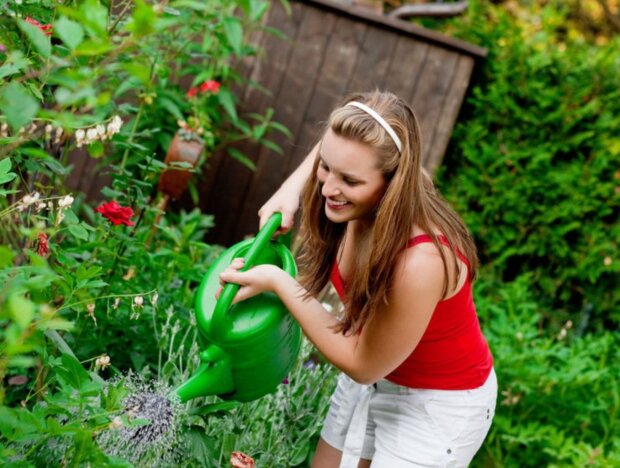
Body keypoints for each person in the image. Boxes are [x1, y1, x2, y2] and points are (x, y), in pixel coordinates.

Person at [218, 91, 496, 467]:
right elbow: (337, 147)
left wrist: (280, 283)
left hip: (436, 403)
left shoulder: (421, 261)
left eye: (349, 180)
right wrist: (291, 190)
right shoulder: (359, 182)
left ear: (393, 183)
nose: (329, 188)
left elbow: (363, 363)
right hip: (378, 369)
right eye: (325, 169)